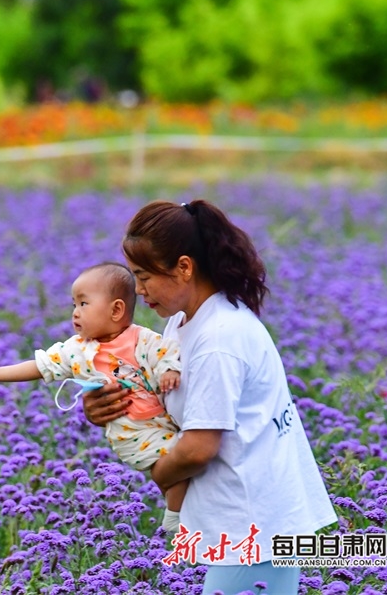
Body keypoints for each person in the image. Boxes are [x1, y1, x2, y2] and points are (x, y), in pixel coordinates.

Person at [83, 200, 336, 595]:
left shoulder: (220, 338)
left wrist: (159, 474)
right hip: (241, 523)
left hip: (254, 528)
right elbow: (151, 396)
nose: (138, 290)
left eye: (144, 276)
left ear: (184, 267)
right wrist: (105, 404)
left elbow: (199, 448)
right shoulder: (182, 323)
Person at [0, 262, 186, 531]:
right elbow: (41, 365)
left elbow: (166, 353)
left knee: (182, 467)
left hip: (159, 420)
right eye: (74, 304)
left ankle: (180, 511)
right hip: (132, 433)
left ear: (116, 310)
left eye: (83, 304)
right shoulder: (77, 349)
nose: (75, 313)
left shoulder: (143, 339)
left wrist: (169, 371)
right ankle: (175, 518)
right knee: (178, 466)